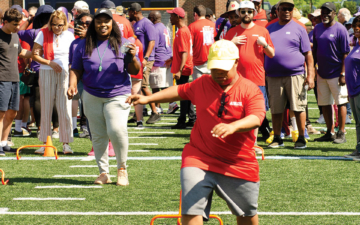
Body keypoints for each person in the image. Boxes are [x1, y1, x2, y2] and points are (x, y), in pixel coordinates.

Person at [126, 40, 265, 225]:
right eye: (215, 69)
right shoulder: (202, 83)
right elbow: (179, 91)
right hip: (199, 157)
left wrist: (233, 126)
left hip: (238, 162)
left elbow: (257, 118)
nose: (219, 74)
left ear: (236, 63)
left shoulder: (250, 90)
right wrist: (148, 98)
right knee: (191, 210)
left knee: (247, 215)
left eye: (224, 69)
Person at [68, 8, 140, 186]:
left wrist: (132, 58)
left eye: (106, 21)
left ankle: (122, 169)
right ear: (94, 24)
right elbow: (76, 68)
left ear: (112, 24)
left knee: (116, 130)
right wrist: (72, 84)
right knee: (98, 135)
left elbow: (134, 71)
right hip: (92, 94)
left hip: (118, 93)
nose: (102, 25)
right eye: (98, 21)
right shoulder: (83, 44)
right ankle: (103, 172)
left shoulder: (122, 43)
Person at [265, 0, 315, 149]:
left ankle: (301, 137)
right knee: (276, 109)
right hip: (273, 75)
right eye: (283, 8)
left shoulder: (299, 28)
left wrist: (310, 75)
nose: (287, 11)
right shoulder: (269, 28)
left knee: (299, 107)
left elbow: (309, 54)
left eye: (289, 9)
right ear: (277, 10)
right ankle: (277, 138)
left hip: (295, 74)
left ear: (292, 11)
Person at [225, 0, 274, 151]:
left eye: (249, 11)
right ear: (239, 13)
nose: (246, 14)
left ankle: (251, 144)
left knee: (255, 114)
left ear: (254, 13)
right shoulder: (232, 32)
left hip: (257, 79)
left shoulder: (263, 31)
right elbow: (222, 54)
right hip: (235, 80)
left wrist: (264, 44)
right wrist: (231, 43)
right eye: (243, 11)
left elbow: (272, 54)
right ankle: (237, 143)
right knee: (235, 112)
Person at [31, 10, 75, 154]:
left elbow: (73, 55)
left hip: (64, 72)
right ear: (50, 23)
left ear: (65, 24)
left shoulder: (69, 35)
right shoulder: (42, 33)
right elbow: (35, 55)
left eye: (60, 25)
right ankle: (45, 142)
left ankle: (66, 143)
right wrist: (49, 63)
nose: (57, 27)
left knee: (65, 107)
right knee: (46, 106)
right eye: (54, 24)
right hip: (46, 70)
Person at [313, 2, 350, 144]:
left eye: (328, 12)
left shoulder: (341, 29)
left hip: (336, 73)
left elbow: (345, 53)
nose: (325, 15)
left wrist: (343, 73)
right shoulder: (317, 28)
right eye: (323, 12)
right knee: (325, 104)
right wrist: (313, 68)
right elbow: (315, 50)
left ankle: (341, 132)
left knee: (341, 103)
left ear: (334, 13)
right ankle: (330, 132)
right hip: (321, 73)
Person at [0, 8, 32, 156]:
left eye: (19, 24)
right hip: (1, 79)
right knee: (1, 113)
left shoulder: (15, 36)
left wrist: (35, 53)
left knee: (12, 113)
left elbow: (20, 52)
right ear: (4, 22)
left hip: (14, 78)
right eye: (15, 24)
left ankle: (3, 142)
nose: (18, 27)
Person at [128, 2, 161, 124]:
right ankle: (138, 113)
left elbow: (152, 42)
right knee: (135, 87)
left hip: (146, 58)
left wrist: (146, 58)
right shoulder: (136, 23)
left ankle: (155, 111)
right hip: (137, 59)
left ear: (135, 12)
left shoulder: (147, 23)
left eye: (130, 11)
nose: (128, 14)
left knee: (143, 86)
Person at [165, 8, 195, 129]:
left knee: (182, 94)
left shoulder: (182, 31)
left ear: (178, 17)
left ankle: (182, 120)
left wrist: (179, 70)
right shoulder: (183, 30)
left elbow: (184, 53)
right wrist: (173, 58)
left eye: (172, 16)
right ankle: (191, 117)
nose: (170, 18)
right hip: (183, 66)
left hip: (183, 68)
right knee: (186, 94)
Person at [147, 11, 177, 115]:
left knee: (156, 86)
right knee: (165, 84)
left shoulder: (155, 28)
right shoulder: (165, 27)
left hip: (159, 59)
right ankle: (171, 103)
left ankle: (160, 106)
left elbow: (154, 45)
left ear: (153, 19)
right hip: (167, 57)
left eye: (149, 17)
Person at [69, 13, 93, 139]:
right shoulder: (74, 43)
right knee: (84, 106)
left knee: (93, 109)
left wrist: (88, 37)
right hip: (80, 80)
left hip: (95, 80)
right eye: (82, 23)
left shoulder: (98, 39)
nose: (84, 25)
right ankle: (80, 129)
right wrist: (72, 83)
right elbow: (71, 64)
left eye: (88, 23)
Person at [344, 16, 360, 159]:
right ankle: (359, 149)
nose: (356, 27)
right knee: (358, 122)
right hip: (354, 90)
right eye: (355, 25)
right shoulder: (356, 45)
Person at [189, 5, 216, 81]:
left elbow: (189, 46)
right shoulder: (213, 25)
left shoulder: (192, 26)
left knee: (199, 89)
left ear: (195, 14)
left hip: (198, 63)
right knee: (212, 87)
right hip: (212, 60)